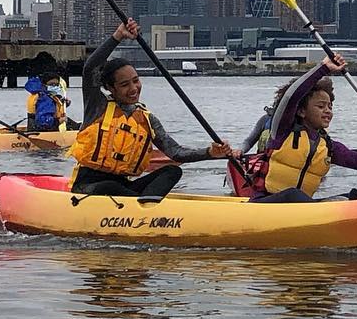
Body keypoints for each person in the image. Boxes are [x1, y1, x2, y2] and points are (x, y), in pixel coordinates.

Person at [69, 19, 235, 202]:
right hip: (88, 186)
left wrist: (210, 153)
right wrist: (117, 36)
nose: (134, 88)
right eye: (125, 84)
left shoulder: (147, 120)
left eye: (136, 80)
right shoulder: (97, 106)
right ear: (110, 88)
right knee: (110, 186)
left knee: (172, 171)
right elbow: (90, 68)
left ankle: (146, 205)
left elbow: (176, 153)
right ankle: (145, 204)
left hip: (124, 186)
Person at [244, 53, 357, 203]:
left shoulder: (327, 146)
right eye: (321, 106)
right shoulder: (282, 130)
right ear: (302, 111)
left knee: (350, 197)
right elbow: (291, 96)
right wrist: (323, 68)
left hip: (300, 209)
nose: (327, 111)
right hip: (266, 204)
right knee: (292, 194)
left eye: (330, 107)